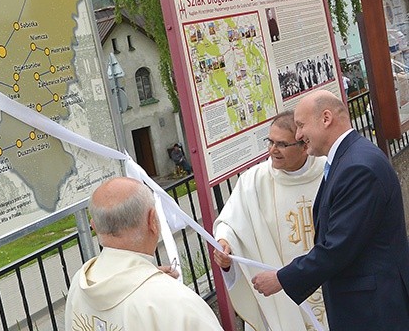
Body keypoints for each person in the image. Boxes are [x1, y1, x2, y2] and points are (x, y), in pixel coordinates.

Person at [252, 90, 409, 331]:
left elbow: (338, 247)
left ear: (326, 119)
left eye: (301, 125)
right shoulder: (349, 158)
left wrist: (281, 279)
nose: (298, 134)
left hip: (373, 309)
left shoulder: (358, 167)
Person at [213, 111, 328, 330]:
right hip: (280, 300)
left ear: (305, 145)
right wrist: (226, 245)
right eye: (270, 142)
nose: (272, 150)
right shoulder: (254, 181)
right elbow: (230, 223)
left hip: (330, 288)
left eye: (282, 144)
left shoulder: (328, 173)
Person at [64, 177, 223, 331]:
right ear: (152, 221)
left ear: (95, 227)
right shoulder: (179, 303)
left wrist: (148, 279)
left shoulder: (78, 283)